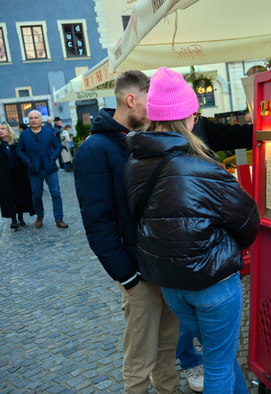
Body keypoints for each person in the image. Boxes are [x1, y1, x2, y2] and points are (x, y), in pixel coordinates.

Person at [74, 69, 254, 394]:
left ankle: (171, 387)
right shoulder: (198, 164)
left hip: (168, 279)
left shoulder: (134, 158)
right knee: (190, 359)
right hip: (178, 278)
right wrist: (128, 278)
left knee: (182, 351)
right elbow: (247, 222)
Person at [73, 70, 180, 394]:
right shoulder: (93, 150)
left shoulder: (143, 141)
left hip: (161, 265)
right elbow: (99, 225)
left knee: (166, 345)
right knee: (139, 356)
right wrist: (128, 279)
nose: (155, 108)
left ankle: (169, 389)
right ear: (130, 100)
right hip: (137, 272)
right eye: (150, 100)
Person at [16, 110, 68, 229]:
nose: (33, 120)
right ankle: (40, 215)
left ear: (41, 120)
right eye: (31, 118)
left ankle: (59, 219)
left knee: (55, 193)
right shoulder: (24, 134)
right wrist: (27, 160)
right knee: (36, 195)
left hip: (50, 168)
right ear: (28, 121)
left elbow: (58, 146)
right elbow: (19, 150)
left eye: (36, 118)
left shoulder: (49, 132)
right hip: (34, 170)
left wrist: (53, 157)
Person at [0, 122, 35, 230]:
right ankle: (13, 220)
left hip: (18, 175)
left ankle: (20, 217)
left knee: (20, 196)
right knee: (9, 198)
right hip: (5, 176)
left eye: (2, 129)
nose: (0, 131)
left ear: (8, 130)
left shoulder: (16, 143)